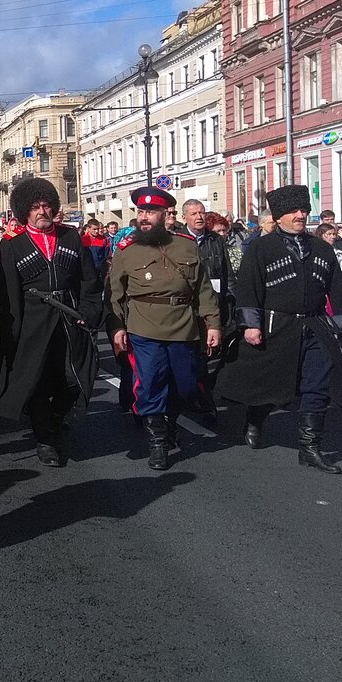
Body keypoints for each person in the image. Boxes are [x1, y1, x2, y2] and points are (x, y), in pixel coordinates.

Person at [217, 186, 342, 474]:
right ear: (278, 216)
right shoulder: (261, 249)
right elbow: (249, 289)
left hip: (314, 326)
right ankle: (256, 416)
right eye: (294, 211)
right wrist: (250, 326)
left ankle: (310, 448)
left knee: (318, 384)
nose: (301, 215)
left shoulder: (321, 248)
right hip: (276, 326)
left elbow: (338, 290)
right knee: (275, 387)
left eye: (304, 210)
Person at [105, 188, 221, 470]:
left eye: (150, 212)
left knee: (186, 385)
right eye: (140, 212)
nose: (144, 218)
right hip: (144, 327)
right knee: (151, 382)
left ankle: (170, 420)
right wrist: (117, 326)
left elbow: (203, 290)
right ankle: (158, 441)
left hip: (183, 326)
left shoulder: (186, 246)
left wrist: (213, 323)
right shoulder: (127, 250)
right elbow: (113, 295)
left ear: (165, 214)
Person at [0, 179, 101, 467]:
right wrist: (9, 331)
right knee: (37, 382)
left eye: (46, 205)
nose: (42, 211)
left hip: (69, 319)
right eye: (35, 207)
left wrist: (90, 311)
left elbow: (89, 280)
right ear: (25, 212)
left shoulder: (71, 238)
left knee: (74, 378)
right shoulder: (12, 246)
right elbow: (8, 294)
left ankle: (54, 418)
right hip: (32, 324)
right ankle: (44, 439)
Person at [181, 198, 234, 426]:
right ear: (185, 217)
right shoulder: (177, 240)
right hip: (185, 310)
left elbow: (227, 272)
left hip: (213, 307)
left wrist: (233, 300)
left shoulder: (216, 241)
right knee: (189, 357)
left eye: (201, 212)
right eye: (193, 213)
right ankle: (190, 394)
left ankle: (206, 402)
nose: (199, 217)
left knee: (209, 357)